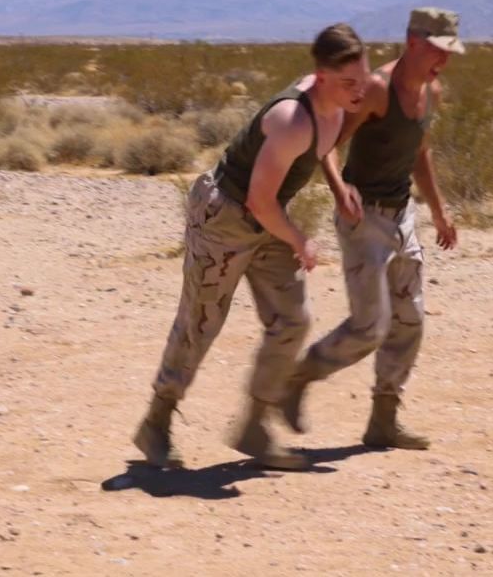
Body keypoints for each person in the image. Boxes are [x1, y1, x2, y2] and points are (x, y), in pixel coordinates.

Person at [134, 23, 371, 469]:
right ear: (320, 77)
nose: (360, 91)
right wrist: (298, 238)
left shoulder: (337, 104)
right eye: (348, 83)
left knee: (292, 320)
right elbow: (259, 200)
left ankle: (254, 427)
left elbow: (325, 146)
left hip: (267, 218)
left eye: (363, 79)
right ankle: (156, 421)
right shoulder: (291, 119)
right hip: (225, 216)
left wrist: (339, 189)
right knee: (200, 324)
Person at [280, 8, 463, 450]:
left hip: (402, 216)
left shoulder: (431, 91)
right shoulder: (378, 89)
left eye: (450, 52)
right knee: (369, 327)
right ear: (413, 42)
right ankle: (298, 377)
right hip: (364, 219)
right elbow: (327, 141)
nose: (444, 60)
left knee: (409, 321)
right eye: (438, 50)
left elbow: (420, 152)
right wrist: (339, 188)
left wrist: (439, 211)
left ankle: (384, 420)